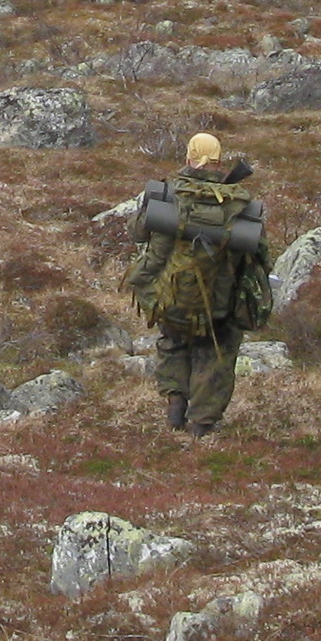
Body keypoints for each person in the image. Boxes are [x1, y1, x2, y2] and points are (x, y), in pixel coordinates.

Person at [128, 132, 270, 436]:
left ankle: (175, 407)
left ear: (189, 157)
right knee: (216, 355)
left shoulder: (171, 197)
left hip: (172, 299)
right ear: (219, 160)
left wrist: (145, 286)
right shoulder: (239, 204)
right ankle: (201, 426)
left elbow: (143, 238)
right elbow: (259, 256)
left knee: (172, 343)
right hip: (220, 305)